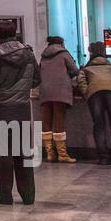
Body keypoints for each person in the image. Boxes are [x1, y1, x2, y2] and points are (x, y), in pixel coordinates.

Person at [0, 20, 38, 205]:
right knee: (23, 154)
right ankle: (28, 195)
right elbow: (36, 80)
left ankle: (4, 195)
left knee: (5, 154)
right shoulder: (28, 54)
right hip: (21, 109)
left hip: (0, 110)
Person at [76, 41, 111, 165]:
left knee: (99, 125)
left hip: (94, 95)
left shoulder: (86, 69)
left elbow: (80, 80)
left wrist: (87, 93)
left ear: (91, 53)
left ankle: (103, 157)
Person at [37, 35, 79, 163]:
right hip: (60, 90)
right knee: (59, 121)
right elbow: (75, 71)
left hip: (45, 91)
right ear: (61, 44)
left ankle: (50, 153)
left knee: (46, 121)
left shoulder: (43, 56)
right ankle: (62, 154)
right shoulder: (64, 54)